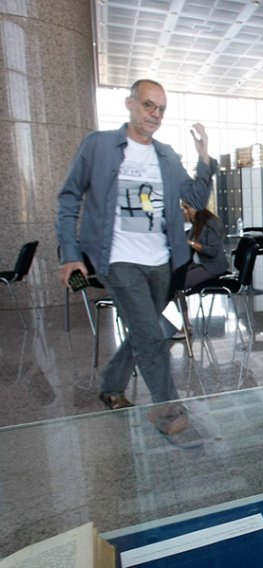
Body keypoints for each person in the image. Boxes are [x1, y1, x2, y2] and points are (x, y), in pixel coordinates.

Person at [56, 78, 218, 415]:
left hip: (162, 262)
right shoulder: (98, 145)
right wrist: (70, 254)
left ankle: (111, 386)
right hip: (117, 260)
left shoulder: (166, 155)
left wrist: (204, 159)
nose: (155, 114)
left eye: (161, 109)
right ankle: (169, 410)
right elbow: (69, 197)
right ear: (130, 104)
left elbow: (195, 198)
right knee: (150, 335)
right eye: (149, 105)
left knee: (145, 329)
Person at [174, 201, 229, 335]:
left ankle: (186, 326)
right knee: (173, 281)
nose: (185, 212)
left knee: (176, 284)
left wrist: (190, 243)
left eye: (187, 208)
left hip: (212, 266)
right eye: (183, 208)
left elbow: (212, 252)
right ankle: (185, 324)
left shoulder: (211, 224)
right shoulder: (196, 224)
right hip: (200, 263)